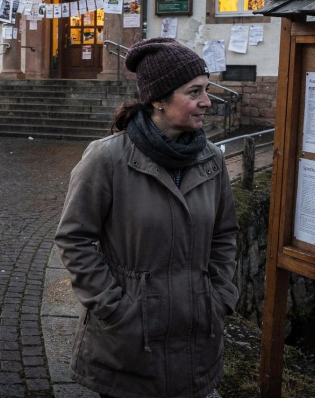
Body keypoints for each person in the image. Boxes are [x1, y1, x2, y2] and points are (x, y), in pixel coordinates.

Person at [54, 37, 239, 398]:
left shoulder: (211, 159)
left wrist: (219, 296)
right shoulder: (107, 159)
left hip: (197, 336)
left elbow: (225, 234)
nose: (207, 101)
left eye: (207, 89)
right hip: (131, 344)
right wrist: (116, 309)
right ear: (158, 100)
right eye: (194, 92)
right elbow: (74, 240)